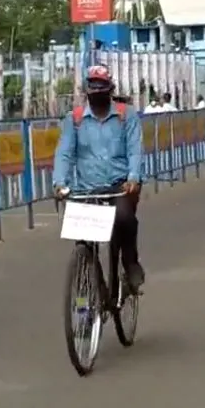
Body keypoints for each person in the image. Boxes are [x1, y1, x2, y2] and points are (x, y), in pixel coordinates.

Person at [53, 65, 145, 292]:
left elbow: (135, 149)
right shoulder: (74, 119)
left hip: (119, 186)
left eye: (101, 87)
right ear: (87, 91)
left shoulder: (126, 115)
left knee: (125, 219)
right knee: (83, 239)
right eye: (92, 87)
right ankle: (95, 286)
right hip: (87, 189)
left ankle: (130, 263)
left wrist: (133, 176)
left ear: (110, 89)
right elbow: (65, 153)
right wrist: (60, 182)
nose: (97, 91)